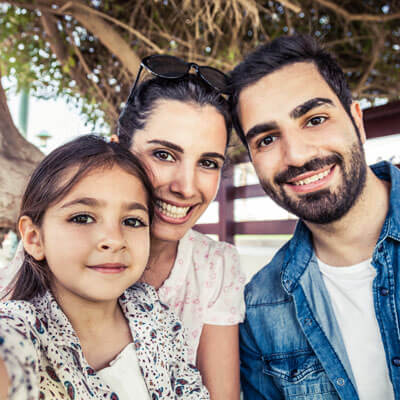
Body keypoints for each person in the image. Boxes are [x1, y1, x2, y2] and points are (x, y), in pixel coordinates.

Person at [230, 34, 399, 399]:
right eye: (266, 140)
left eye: (315, 119)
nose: (296, 156)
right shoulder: (258, 309)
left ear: (357, 120)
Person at [0, 135, 209, 400]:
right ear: (33, 238)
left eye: (132, 221)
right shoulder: (23, 329)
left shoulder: (154, 314)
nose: (113, 239)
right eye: (83, 217)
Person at [115, 55, 246, 400]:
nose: (186, 188)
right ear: (118, 151)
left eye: (207, 163)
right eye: (163, 155)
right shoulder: (60, 248)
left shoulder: (215, 266)